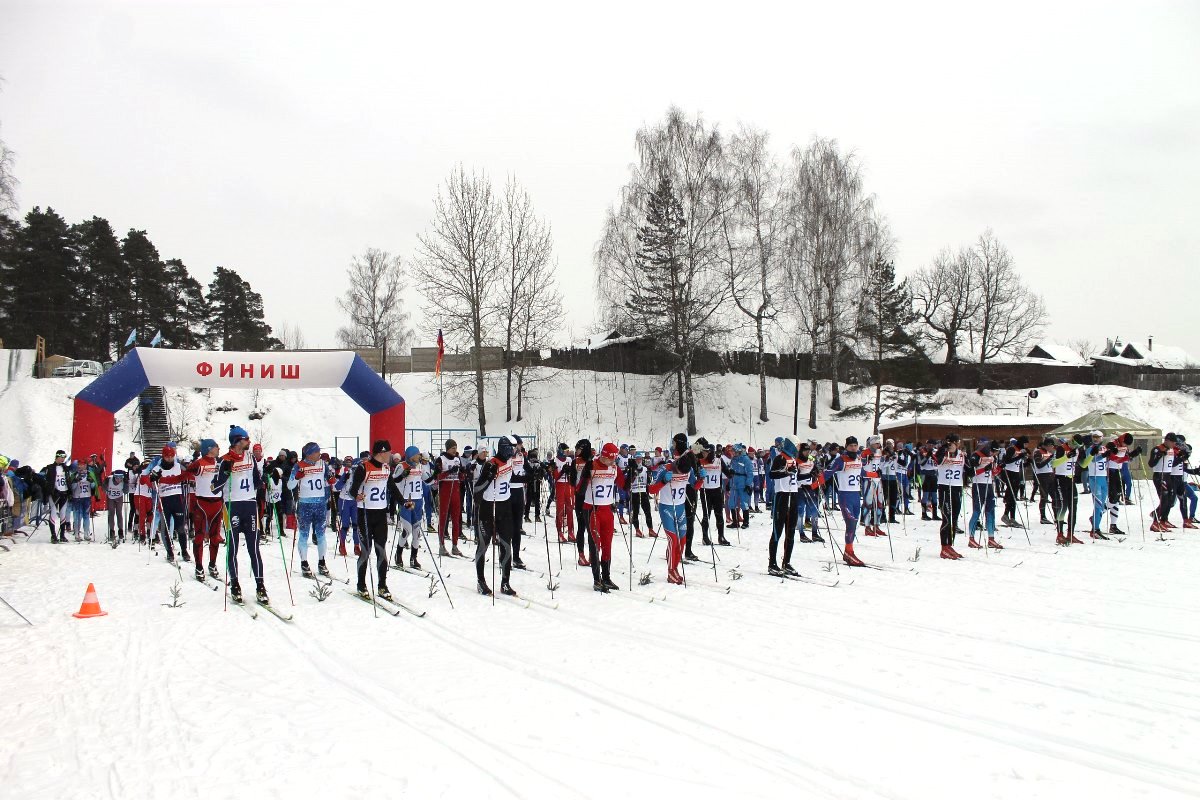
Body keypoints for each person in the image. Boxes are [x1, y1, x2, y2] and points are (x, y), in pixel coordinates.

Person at [212, 426, 270, 605]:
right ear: (238, 441)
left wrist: (268, 476)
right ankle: (235, 584)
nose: (249, 442)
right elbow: (214, 489)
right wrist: (225, 473)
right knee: (233, 548)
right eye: (246, 439)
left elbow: (257, 481)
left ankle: (260, 586)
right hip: (231, 507)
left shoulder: (251, 457)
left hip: (250, 505)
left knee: (254, 548)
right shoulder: (223, 461)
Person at [346, 440, 395, 599]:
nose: (390, 455)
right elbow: (352, 489)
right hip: (365, 513)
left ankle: (382, 585)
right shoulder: (363, 467)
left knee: (381, 550)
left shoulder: (387, 468)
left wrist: (404, 503)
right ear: (381, 452)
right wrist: (357, 496)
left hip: (381, 514)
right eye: (388, 452)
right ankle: (361, 584)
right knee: (365, 551)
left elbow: (392, 488)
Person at [472, 435, 518, 597]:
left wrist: (531, 475)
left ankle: (505, 583)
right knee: (484, 545)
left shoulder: (510, 461)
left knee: (506, 544)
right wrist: (489, 478)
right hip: (488, 508)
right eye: (512, 448)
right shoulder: (490, 464)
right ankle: (481, 581)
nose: (514, 451)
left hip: (504, 507)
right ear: (504, 448)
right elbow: (476, 490)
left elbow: (513, 479)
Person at [648, 433, 696, 585]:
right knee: (672, 540)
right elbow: (651, 489)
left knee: (682, 540)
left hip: (680, 507)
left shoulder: (688, 466)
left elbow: (695, 485)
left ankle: (675, 568)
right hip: (667, 508)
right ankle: (670, 572)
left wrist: (701, 478)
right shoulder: (666, 467)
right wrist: (663, 480)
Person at [579, 442, 625, 592]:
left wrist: (632, 474)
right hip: (592, 509)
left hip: (607, 510)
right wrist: (586, 475)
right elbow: (579, 490)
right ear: (603, 456)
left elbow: (624, 485)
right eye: (609, 459)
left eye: (614, 459)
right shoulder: (592, 465)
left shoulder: (614, 468)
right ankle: (596, 579)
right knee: (595, 544)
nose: (612, 462)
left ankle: (606, 577)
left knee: (607, 544)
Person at [290, 442, 335, 578]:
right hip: (305, 504)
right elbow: (289, 484)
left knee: (321, 534)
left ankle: (322, 562)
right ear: (309, 453)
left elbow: (329, 481)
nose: (319, 454)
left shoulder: (323, 465)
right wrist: (297, 477)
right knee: (304, 534)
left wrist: (331, 480)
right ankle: (304, 563)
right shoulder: (299, 465)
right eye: (317, 452)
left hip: (320, 503)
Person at [184, 438, 225, 581]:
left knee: (215, 536)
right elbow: (184, 475)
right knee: (200, 535)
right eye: (216, 446)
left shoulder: (220, 462)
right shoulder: (199, 463)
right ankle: (199, 566)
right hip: (201, 503)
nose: (219, 448)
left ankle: (212, 564)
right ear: (209, 449)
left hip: (217, 503)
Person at [144, 445, 189, 561]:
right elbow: (150, 483)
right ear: (163, 456)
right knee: (165, 529)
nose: (170, 458)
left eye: (172, 456)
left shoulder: (179, 466)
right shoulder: (157, 468)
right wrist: (153, 479)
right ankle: (170, 552)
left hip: (177, 500)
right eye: (167, 456)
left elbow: (188, 473)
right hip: (164, 501)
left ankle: (184, 551)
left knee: (180, 528)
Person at [829, 437, 867, 567]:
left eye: (855, 445)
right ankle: (849, 552)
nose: (853, 448)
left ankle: (848, 551)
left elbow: (862, 473)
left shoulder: (858, 459)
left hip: (856, 495)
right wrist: (813, 485)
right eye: (850, 446)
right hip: (845, 495)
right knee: (850, 523)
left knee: (854, 524)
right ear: (846, 447)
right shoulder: (840, 460)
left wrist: (875, 474)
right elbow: (828, 473)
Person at [392, 445, 426, 570]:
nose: (419, 456)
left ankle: (413, 558)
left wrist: (436, 475)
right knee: (407, 530)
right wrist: (402, 475)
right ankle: (399, 554)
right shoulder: (401, 466)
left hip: (418, 500)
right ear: (411, 455)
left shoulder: (420, 466)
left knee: (417, 532)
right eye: (417, 454)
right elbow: (393, 481)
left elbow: (427, 480)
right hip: (407, 500)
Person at [934, 435, 966, 559]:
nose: (955, 445)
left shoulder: (961, 455)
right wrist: (944, 449)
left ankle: (949, 545)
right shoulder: (942, 453)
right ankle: (943, 547)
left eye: (956, 443)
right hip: (944, 488)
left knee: (954, 520)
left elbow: (969, 467)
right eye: (953, 443)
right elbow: (938, 460)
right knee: (946, 519)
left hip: (957, 488)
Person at [966, 439, 1001, 549]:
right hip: (978, 485)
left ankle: (991, 538)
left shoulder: (993, 457)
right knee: (977, 511)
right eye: (993, 451)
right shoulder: (977, 455)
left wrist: (1000, 468)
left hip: (989, 485)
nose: (994, 454)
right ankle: (971, 539)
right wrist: (984, 469)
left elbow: (993, 472)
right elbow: (970, 473)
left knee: (990, 511)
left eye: (996, 452)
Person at [432, 439, 465, 556]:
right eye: (452, 448)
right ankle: (441, 545)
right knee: (443, 518)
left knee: (456, 519)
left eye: (456, 448)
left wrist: (463, 473)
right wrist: (449, 471)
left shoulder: (457, 459)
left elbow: (461, 477)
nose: (454, 450)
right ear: (447, 449)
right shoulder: (441, 459)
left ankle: (455, 545)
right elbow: (437, 477)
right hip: (445, 490)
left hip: (455, 489)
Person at [42, 449, 72, 543]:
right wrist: (52, 490)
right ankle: (53, 536)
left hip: (64, 493)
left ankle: (62, 535)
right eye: (61, 457)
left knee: (63, 514)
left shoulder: (65, 468)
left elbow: (68, 480)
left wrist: (69, 491)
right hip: (54, 494)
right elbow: (45, 481)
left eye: (64, 457)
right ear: (57, 457)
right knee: (53, 513)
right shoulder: (50, 468)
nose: (63, 459)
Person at [627, 452, 656, 538]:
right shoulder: (632, 469)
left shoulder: (645, 469)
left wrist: (649, 480)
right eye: (637, 459)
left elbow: (648, 481)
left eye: (640, 459)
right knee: (635, 512)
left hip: (643, 492)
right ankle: (637, 530)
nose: (639, 460)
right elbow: (629, 482)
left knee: (648, 511)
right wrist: (634, 474)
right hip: (635, 492)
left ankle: (650, 529)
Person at [551, 442, 575, 544]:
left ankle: (570, 532)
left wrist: (570, 472)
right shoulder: (555, 461)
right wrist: (562, 471)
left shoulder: (569, 460)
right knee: (560, 509)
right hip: (560, 486)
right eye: (565, 451)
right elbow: (555, 477)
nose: (567, 453)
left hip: (568, 485)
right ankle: (560, 532)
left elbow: (573, 472)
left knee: (569, 508)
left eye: (567, 451)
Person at [103, 466, 128, 544]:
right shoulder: (109, 480)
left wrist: (126, 484)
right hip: (110, 498)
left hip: (119, 498)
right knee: (111, 513)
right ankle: (112, 531)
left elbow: (126, 492)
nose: (119, 480)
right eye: (117, 478)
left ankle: (120, 531)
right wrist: (106, 489)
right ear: (114, 477)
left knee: (119, 513)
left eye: (121, 478)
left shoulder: (123, 481)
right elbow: (103, 487)